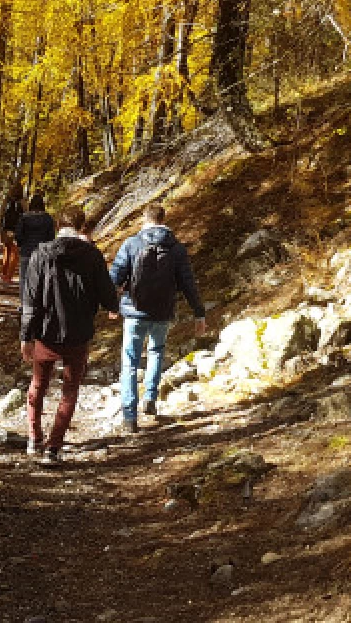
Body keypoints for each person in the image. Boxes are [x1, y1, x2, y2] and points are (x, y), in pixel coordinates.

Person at [20, 205, 119, 464]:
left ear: (57, 226)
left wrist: (25, 336)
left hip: (45, 333)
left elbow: (30, 299)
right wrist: (113, 307)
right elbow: (106, 291)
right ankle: (54, 447)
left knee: (38, 385)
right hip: (79, 333)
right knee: (70, 390)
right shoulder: (92, 255)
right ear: (82, 227)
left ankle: (33, 437)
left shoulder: (40, 254)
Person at [109, 203, 207, 433]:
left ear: (145, 218)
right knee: (156, 352)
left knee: (130, 362)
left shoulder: (131, 244)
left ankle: (130, 417)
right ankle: (150, 399)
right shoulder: (176, 249)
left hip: (133, 312)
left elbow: (114, 278)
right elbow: (188, 284)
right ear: (164, 219)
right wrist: (199, 313)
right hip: (163, 312)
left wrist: (111, 305)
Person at [13, 192, 55, 299]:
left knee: (24, 279)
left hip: (26, 252)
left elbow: (18, 235)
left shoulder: (24, 218)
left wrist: (21, 244)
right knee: (41, 280)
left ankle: (24, 303)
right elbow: (51, 237)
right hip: (43, 253)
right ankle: (39, 303)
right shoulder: (48, 219)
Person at [0, 187, 24, 283]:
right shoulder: (23, 202)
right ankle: (9, 276)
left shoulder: (6, 201)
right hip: (16, 230)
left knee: (6, 252)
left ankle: (3, 274)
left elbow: (0, 215)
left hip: (5, 229)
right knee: (14, 254)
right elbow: (25, 217)